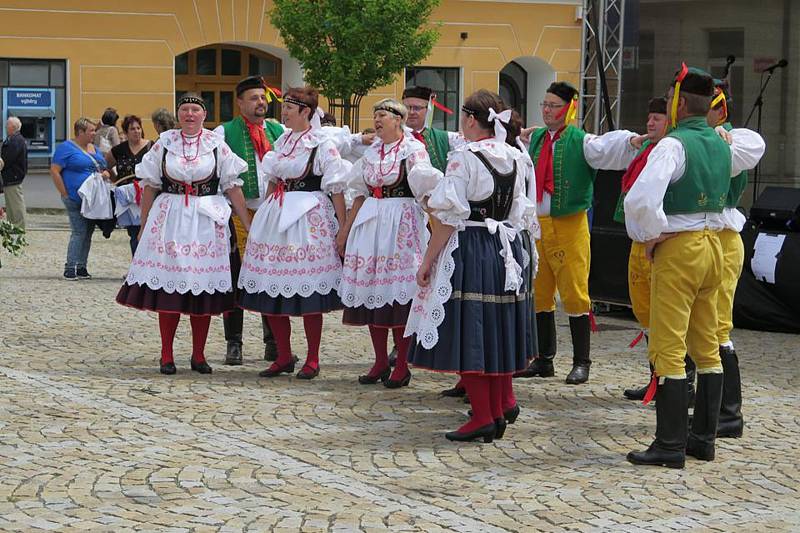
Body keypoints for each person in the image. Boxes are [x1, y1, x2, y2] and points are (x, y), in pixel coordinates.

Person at [624, 66, 764, 468]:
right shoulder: (724, 144)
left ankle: (669, 444)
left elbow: (640, 200)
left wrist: (651, 235)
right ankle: (704, 439)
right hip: (715, 247)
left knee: (668, 344)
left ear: (679, 103)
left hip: (682, 248)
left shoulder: (673, 144)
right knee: (707, 344)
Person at [406, 90, 536, 443]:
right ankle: (494, 412)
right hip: (507, 248)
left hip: (473, 247)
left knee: (472, 332)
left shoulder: (464, 158)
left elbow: (449, 218)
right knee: (496, 333)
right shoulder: (515, 156)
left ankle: (483, 416)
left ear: (470, 120)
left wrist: (428, 260)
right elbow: (520, 212)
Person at [116, 94, 250, 376]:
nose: (189, 114)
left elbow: (232, 186)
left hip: (206, 221)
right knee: (170, 287)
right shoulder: (164, 144)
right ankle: (166, 355)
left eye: (195, 110)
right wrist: (143, 226)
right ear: (178, 115)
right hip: (171, 219)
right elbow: (150, 186)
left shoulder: (217, 145)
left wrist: (248, 224)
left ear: (204, 114)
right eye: (184, 109)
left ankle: (198, 355)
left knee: (201, 289)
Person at [515, 81, 640, 384]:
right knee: (539, 293)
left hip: (571, 224)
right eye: (544, 105)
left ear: (569, 108)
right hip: (538, 226)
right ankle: (544, 359)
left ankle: (582, 361)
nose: (546, 110)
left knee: (574, 292)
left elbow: (609, 147)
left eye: (553, 105)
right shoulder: (536, 140)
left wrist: (633, 141)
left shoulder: (582, 141)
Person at [238, 86, 351, 380]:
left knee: (309, 288)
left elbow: (336, 188)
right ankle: (284, 356)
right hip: (277, 217)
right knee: (273, 286)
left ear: (305, 112)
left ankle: (312, 358)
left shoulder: (321, 144)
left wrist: (343, 229)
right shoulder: (282, 141)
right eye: (285, 107)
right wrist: (263, 217)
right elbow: (274, 182)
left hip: (308, 220)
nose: (283, 112)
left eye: (289, 108)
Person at [337, 98, 438, 388]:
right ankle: (380, 360)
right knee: (372, 290)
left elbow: (426, 193)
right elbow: (358, 193)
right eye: (375, 115)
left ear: (398, 120)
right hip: (371, 223)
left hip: (402, 222)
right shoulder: (371, 153)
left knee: (400, 293)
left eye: (383, 115)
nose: (377, 120)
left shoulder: (413, 150)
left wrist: (436, 228)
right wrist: (345, 231)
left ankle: (402, 364)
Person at [618, 98, 697, 403]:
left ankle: (679, 380)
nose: (650, 124)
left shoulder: (673, 153)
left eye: (657, 119)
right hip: (639, 241)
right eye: (649, 118)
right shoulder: (647, 151)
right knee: (644, 311)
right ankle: (656, 376)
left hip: (658, 242)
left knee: (667, 317)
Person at [214, 76, 286, 366]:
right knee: (234, 279)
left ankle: (273, 343)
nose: (261, 102)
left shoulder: (278, 130)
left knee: (272, 277)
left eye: (263, 97)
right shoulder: (224, 132)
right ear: (240, 103)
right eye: (254, 98)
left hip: (272, 214)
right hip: (236, 215)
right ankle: (234, 343)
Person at [704, 80, 748, 438]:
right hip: (705, 239)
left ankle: (729, 414)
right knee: (702, 327)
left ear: (720, 109)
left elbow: (750, 150)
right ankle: (709, 408)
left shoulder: (732, 137)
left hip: (724, 238)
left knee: (718, 326)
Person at [51, 117, 111, 280]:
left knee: (88, 232)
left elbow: (103, 166)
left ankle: (82, 266)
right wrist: (64, 193)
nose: (94, 133)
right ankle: (70, 267)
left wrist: (105, 174)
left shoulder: (94, 148)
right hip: (75, 197)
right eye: (91, 130)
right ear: (80, 132)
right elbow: (55, 171)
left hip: (92, 199)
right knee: (79, 232)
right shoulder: (66, 148)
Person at [106, 115, 153, 255]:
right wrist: (116, 181)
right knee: (134, 233)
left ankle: (147, 266)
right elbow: (107, 165)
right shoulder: (119, 150)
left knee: (147, 231)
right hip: (128, 198)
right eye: (132, 129)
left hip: (147, 194)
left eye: (138, 128)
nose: (137, 131)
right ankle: (135, 267)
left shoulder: (151, 146)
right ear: (126, 132)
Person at [1, 116, 28, 230]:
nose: (6, 126)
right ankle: (12, 226)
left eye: (7, 124)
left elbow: (7, 159)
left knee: (16, 205)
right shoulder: (14, 139)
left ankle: (18, 227)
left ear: (12, 127)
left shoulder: (16, 140)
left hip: (13, 177)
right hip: (11, 177)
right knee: (11, 205)